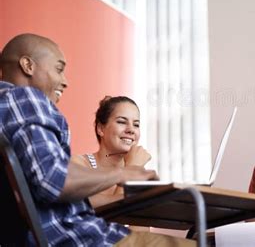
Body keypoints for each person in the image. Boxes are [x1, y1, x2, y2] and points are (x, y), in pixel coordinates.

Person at [0, 33, 195, 246]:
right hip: (79, 239)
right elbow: (52, 179)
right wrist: (125, 172)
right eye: (59, 69)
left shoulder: (6, 106)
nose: (65, 82)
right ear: (27, 65)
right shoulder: (25, 97)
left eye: (136, 124)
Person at [72, 96, 152, 208]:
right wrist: (131, 169)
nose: (131, 130)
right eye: (121, 122)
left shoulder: (140, 177)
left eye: (136, 125)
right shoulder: (78, 165)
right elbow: (111, 216)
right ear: (100, 129)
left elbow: (139, 224)